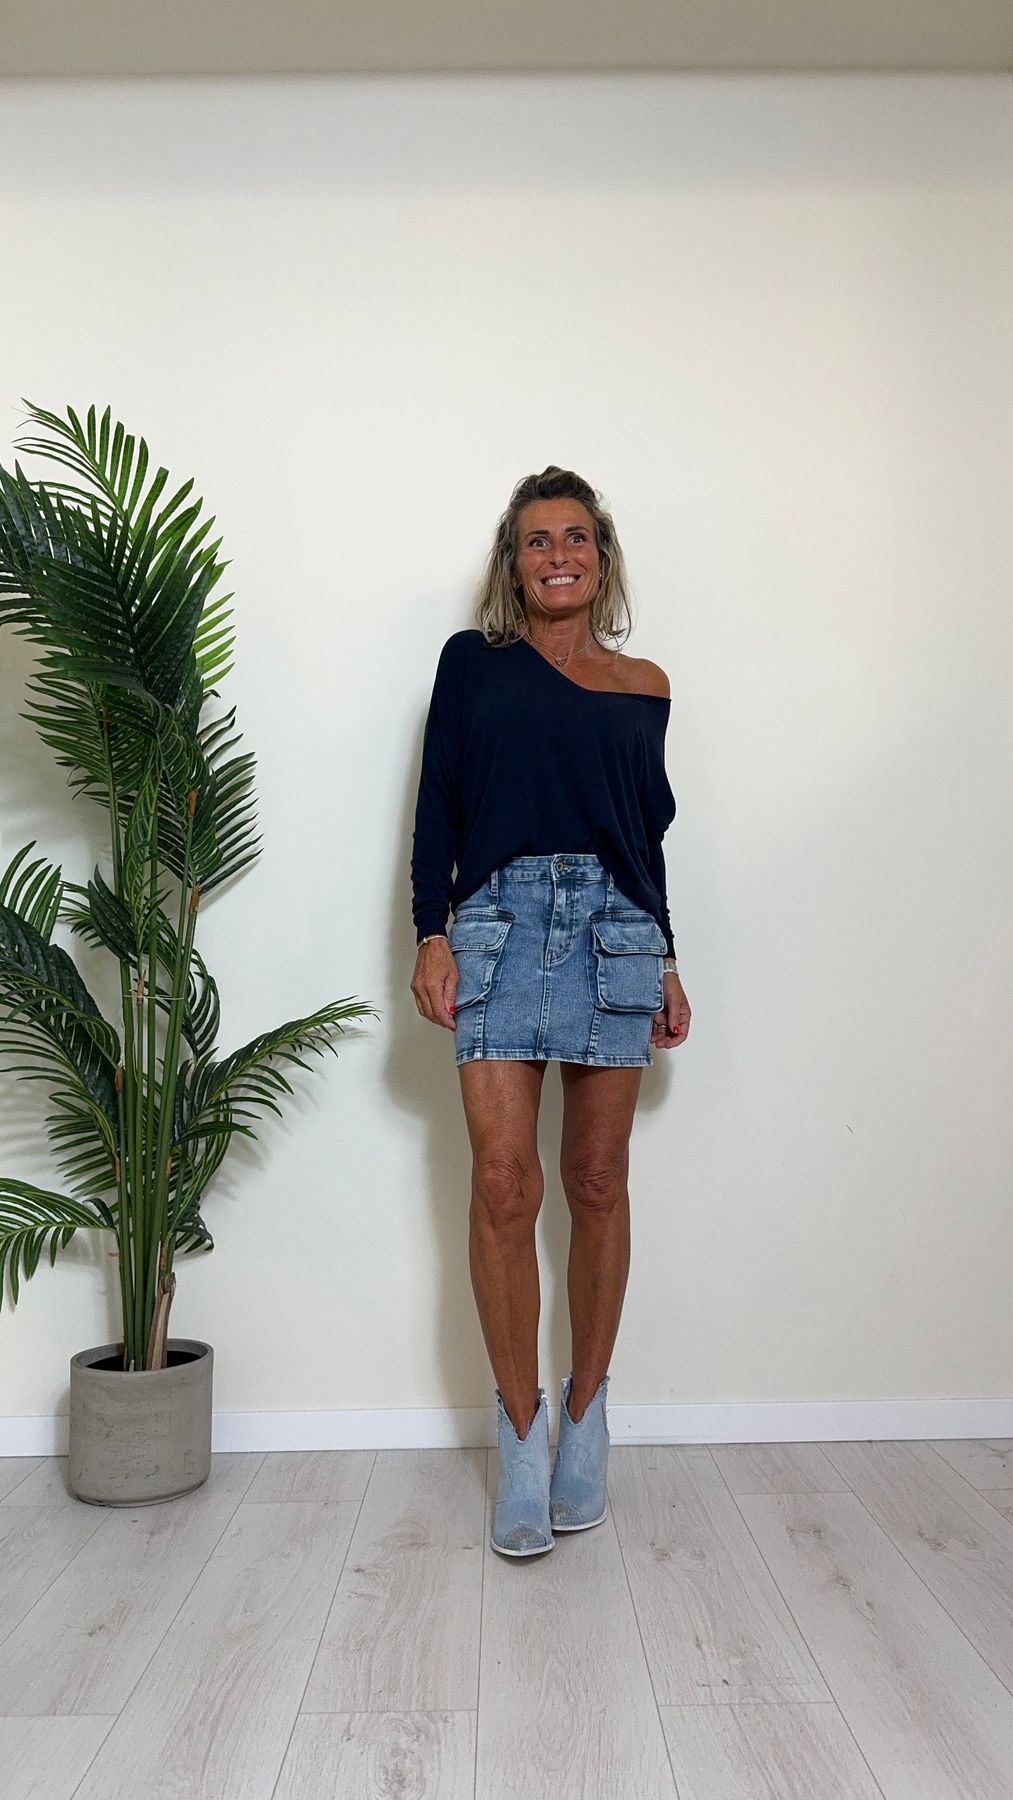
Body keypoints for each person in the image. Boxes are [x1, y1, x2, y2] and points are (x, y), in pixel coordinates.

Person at [410, 466, 691, 1558]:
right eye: (537, 540)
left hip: (616, 927)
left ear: (600, 557)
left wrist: (666, 957)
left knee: (596, 1179)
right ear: (512, 562)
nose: (557, 554)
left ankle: (586, 1417)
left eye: (575, 537)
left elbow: (640, 835)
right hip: (496, 921)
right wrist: (430, 931)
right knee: (500, 1183)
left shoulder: (643, 685)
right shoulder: (470, 665)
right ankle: (519, 1434)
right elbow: (437, 803)